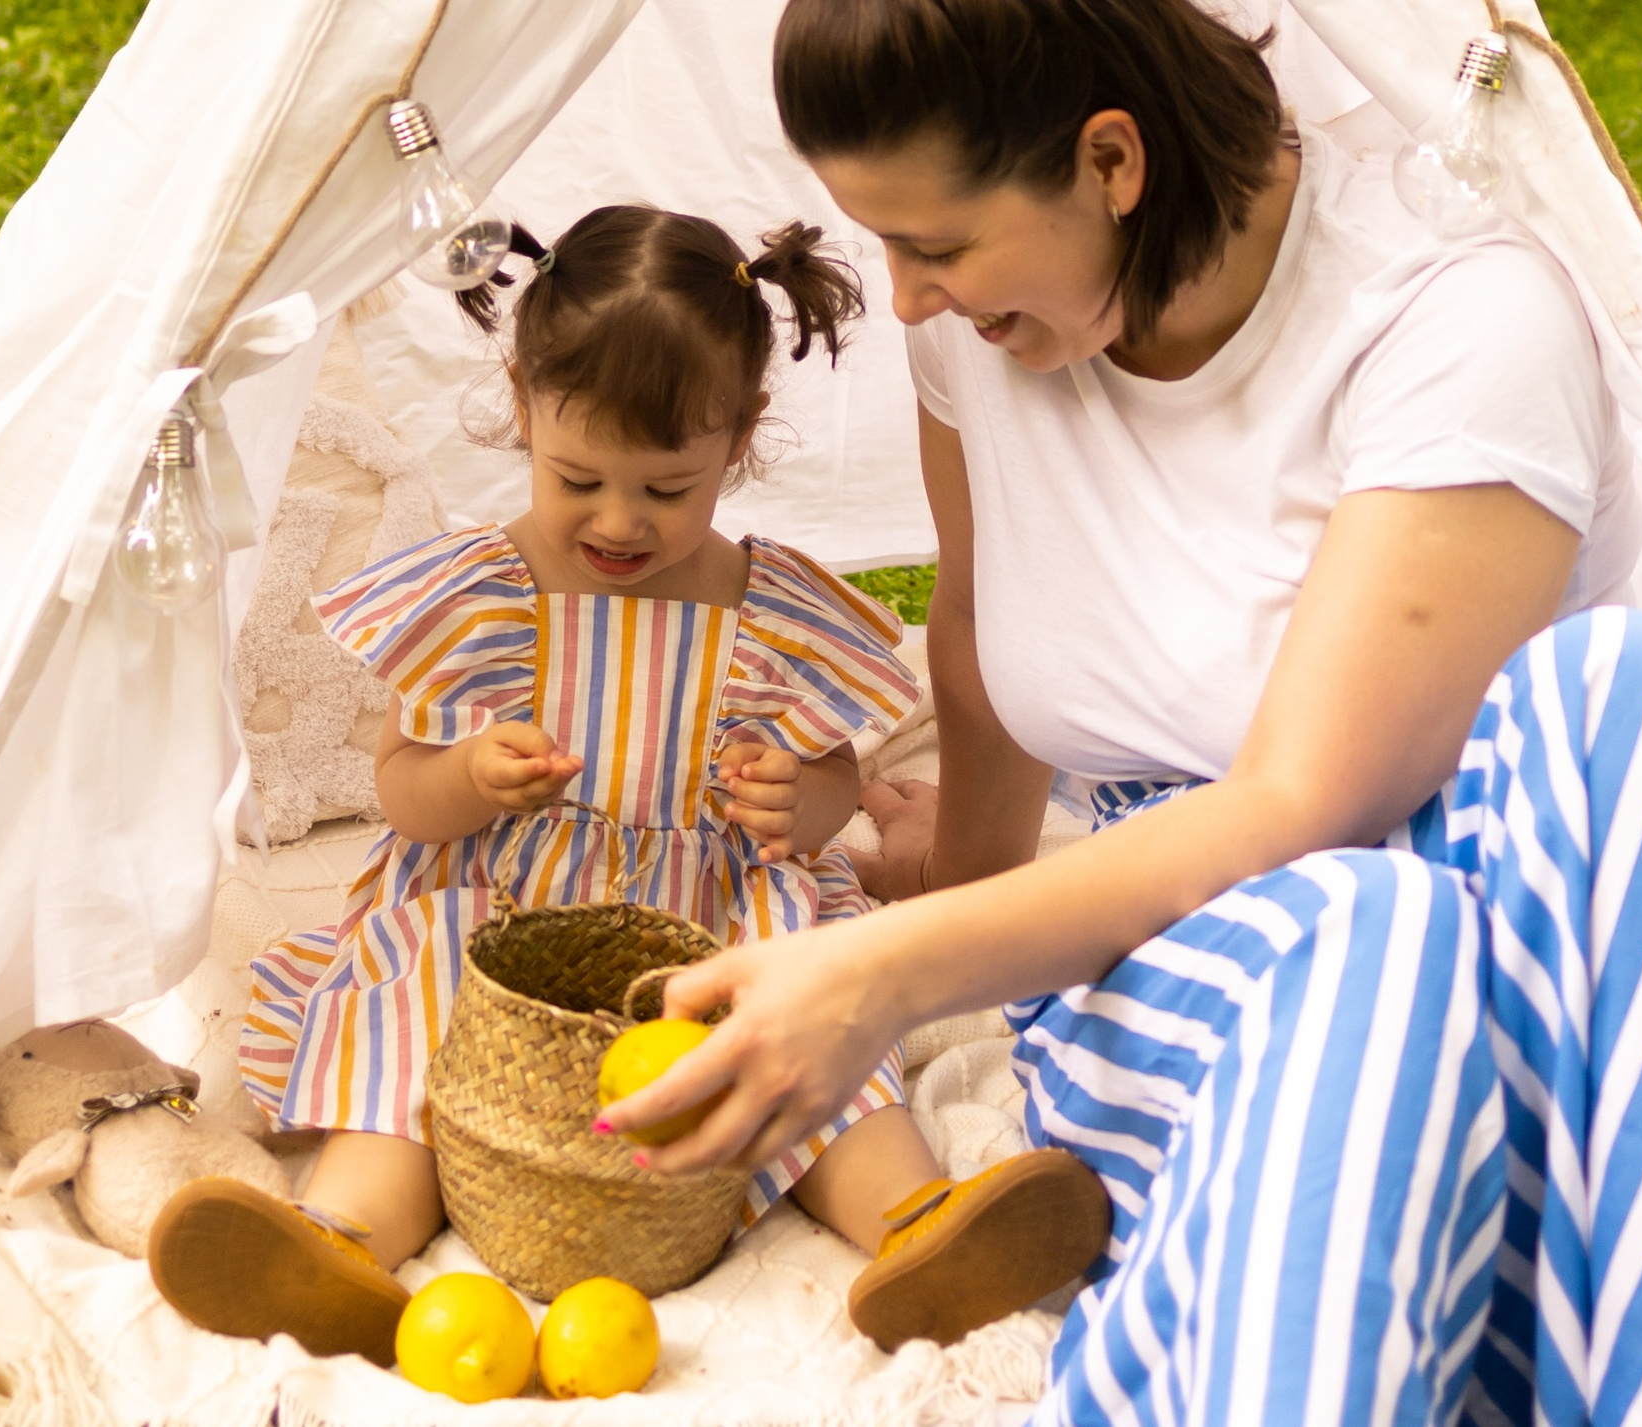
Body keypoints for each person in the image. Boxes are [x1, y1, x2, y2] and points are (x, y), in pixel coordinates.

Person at [599, 0, 1642, 1424]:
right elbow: (975, 665)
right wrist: (944, 924)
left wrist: (879, 971)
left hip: (1530, 992)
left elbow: (1311, 800)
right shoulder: (979, 348)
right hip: (1217, 991)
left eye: (942, 244)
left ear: (1108, 158)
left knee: (1632, 699)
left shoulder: (1453, 306)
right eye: (880, 244)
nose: (905, 294)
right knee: (1364, 933)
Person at [147, 204, 1111, 1367]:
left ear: (739, 438)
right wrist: (466, 775)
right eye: (578, 477)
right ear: (522, 409)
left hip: (702, 919)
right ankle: (340, 1241)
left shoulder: (764, 610)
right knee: (411, 1014)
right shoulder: (478, 597)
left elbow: (833, 780)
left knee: (801, 1030)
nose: (618, 520)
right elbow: (400, 791)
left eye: (667, 489)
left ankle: (915, 1224)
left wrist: (797, 804)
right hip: (497, 910)